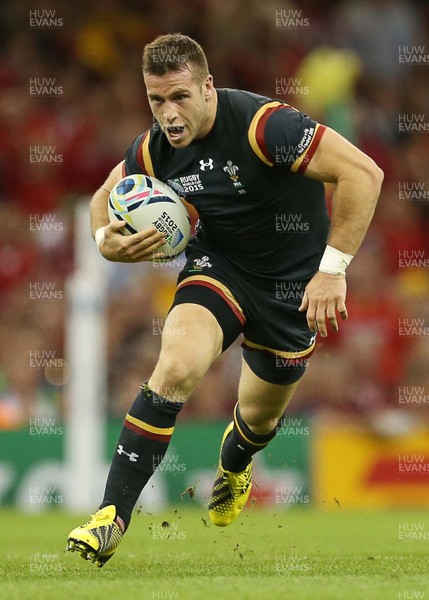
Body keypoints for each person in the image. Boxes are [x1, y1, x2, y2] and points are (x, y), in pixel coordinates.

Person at [66, 33, 383, 567]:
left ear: (208, 87)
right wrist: (105, 240)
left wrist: (333, 271)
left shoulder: (266, 126)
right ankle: (109, 517)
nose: (168, 114)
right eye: (156, 100)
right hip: (218, 272)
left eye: (180, 97)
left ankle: (235, 466)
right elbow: (104, 196)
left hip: (291, 288)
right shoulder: (155, 149)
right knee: (175, 367)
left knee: (257, 420)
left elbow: (364, 173)